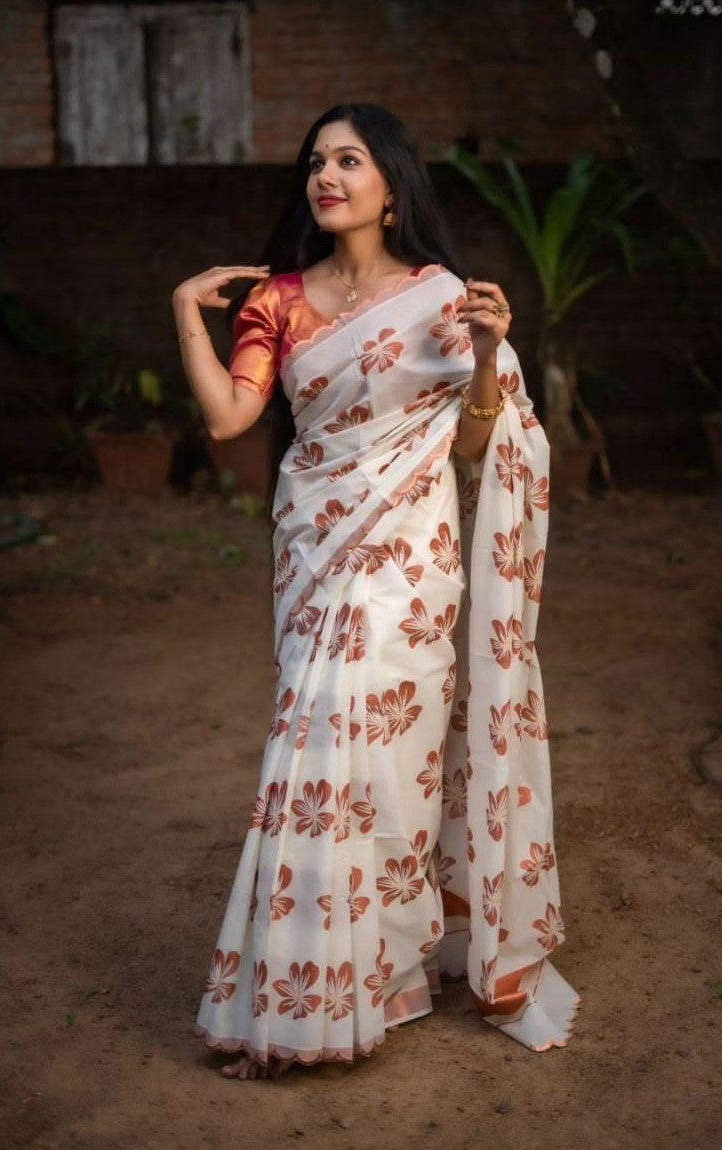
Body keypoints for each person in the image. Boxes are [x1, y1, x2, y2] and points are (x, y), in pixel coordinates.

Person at [172, 103, 580, 1082]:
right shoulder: (277, 301)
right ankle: (317, 989)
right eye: (316, 160)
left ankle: (380, 968)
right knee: (312, 742)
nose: (326, 174)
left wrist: (486, 355)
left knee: (386, 758)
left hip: (409, 557)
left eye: (348, 159)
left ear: (390, 184)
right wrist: (186, 310)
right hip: (315, 544)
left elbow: (477, 443)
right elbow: (232, 417)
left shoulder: (440, 296)